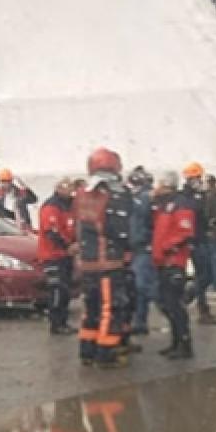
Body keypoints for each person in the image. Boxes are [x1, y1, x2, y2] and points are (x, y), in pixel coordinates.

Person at [73, 148, 135, 368]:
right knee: (111, 309)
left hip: (87, 262)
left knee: (91, 309)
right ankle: (106, 354)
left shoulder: (81, 193)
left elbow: (79, 226)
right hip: (109, 262)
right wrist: (129, 248)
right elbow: (121, 229)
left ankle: (87, 351)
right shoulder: (115, 194)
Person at [152, 171, 195, 359]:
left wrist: (168, 248)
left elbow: (185, 232)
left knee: (174, 304)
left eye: (159, 184)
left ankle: (184, 344)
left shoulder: (180, 204)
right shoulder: (163, 206)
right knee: (165, 303)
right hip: (162, 260)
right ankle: (176, 341)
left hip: (173, 261)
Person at [38, 178, 78, 336]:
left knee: (65, 290)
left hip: (65, 255)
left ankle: (62, 321)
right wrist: (68, 246)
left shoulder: (69, 206)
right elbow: (51, 231)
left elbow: (73, 228)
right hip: (53, 255)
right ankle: (56, 323)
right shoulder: (51, 207)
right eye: (68, 188)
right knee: (57, 290)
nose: (71, 192)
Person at [180, 163, 216, 325]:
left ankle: (194, 297)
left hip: (202, 238)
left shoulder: (200, 195)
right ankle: (198, 304)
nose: (199, 180)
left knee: (206, 274)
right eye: (196, 178)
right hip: (194, 241)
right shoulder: (185, 197)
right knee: (204, 273)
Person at [127, 166, 157, 336]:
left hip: (141, 246)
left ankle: (140, 320)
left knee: (142, 285)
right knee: (140, 285)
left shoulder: (143, 199)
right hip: (137, 245)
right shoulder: (139, 198)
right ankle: (139, 320)